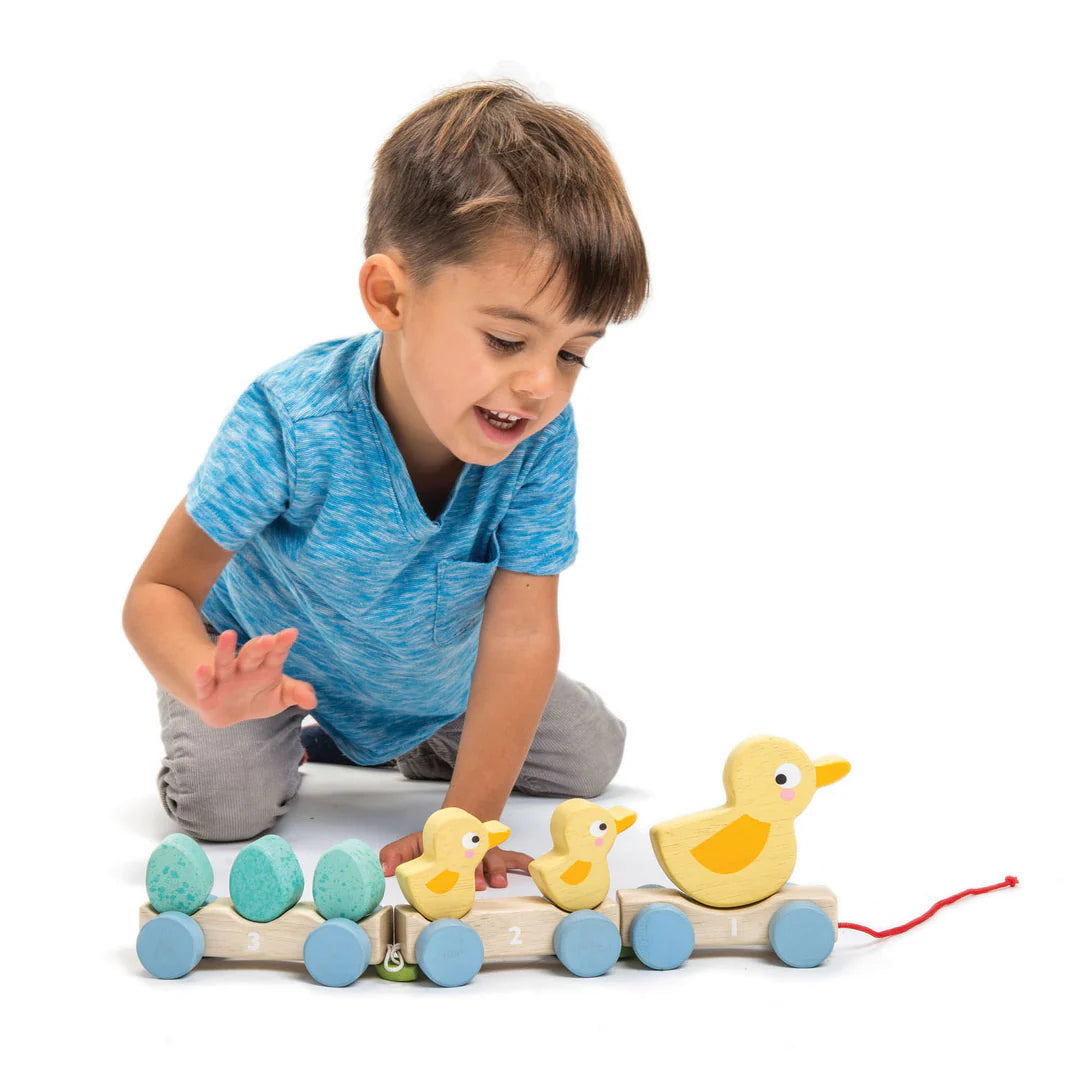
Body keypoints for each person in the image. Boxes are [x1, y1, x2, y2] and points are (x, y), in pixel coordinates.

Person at [122, 79, 650, 889]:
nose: (542, 385)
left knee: (591, 759)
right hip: (270, 677)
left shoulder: (541, 439)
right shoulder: (290, 419)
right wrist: (209, 682)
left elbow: (520, 633)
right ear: (391, 296)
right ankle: (310, 730)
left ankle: (405, 742)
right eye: (507, 340)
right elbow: (157, 592)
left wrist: (465, 824)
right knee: (221, 810)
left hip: (436, 682)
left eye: (573, 352)